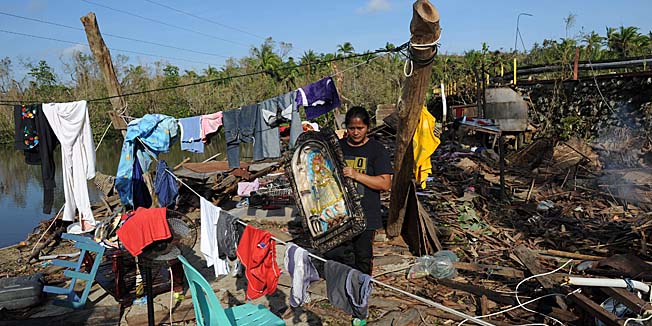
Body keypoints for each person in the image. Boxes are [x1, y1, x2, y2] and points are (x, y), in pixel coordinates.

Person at [325, 106, 393, 275]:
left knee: (362, 257)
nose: (356, 132)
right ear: (346, 127)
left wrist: (356, 175)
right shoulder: (337, 148)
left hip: (365, 215)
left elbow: (385, 184)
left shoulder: (377, 150)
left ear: (367, 128)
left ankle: (361, 292)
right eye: (352, 128)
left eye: (360, 128)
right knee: (337, 255)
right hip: (338, 213)